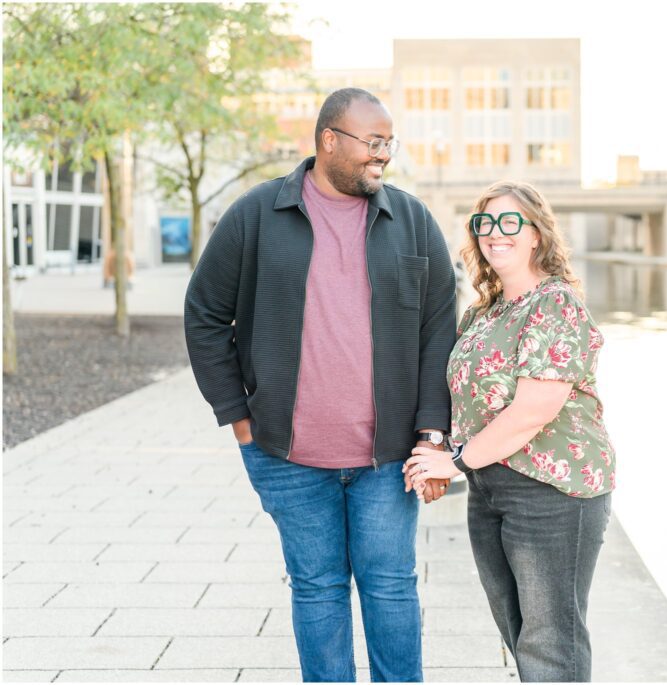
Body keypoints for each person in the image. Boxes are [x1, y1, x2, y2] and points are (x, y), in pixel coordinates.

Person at [184, 87, 456, 683]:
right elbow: (204, 312)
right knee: (317, 589)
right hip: (285, 454)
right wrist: (239, 417)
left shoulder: (411, 220)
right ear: (329, 139)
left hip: (388, 459)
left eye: (389, 142)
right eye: (372, 142)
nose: (383, 155)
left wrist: (433, 435)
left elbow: (440, 331)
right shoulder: (257, 214)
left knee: (390, 588)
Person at [404, 180, 616, 682]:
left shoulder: (556, 304)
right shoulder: (484, 310)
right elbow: (464, 399)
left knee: (550, 645)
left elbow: (533, 411)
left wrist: (452, 463)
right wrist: (438, 448)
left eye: (509, 223)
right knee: (518, 631)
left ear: (536, 234)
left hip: (554, 494)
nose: (494, 234)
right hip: (490, 488)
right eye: (484, 224)